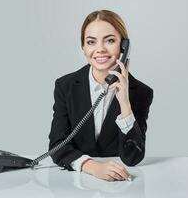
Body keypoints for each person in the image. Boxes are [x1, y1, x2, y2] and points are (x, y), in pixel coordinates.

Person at [48, 10, 153, 182]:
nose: (100, 49)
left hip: (120, 186)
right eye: (91, 42)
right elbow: (57, 145)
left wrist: (125, 104)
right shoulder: (65, 86)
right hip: (74, 185)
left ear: (124, 47)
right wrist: (92, 167)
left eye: (110, 40)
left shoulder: (141, 92)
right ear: (83, 47)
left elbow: (133, 158)